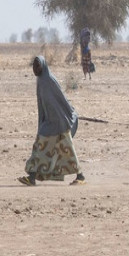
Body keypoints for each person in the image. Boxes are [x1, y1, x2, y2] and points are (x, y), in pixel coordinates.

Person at [18, 56, 85, 186]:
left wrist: (69, 113)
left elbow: (61, 100)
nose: (35, 69)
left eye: (38, 66)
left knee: (66, 150)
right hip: (50, 123)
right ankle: (32, 176)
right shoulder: (41, 81)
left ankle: (80, 176)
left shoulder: (49, 81)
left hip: (60, 122)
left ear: (43, 66)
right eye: (34, 66)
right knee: (41, 148)